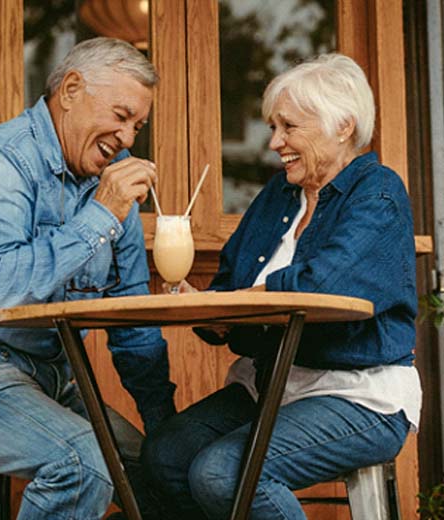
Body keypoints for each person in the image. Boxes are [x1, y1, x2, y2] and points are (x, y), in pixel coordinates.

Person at [0, 37, 176, 520]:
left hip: (48, 379)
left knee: (168, 481)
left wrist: (167, 432)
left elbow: (132, 323)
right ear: (70, 90)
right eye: (121, 115)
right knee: (83, 464)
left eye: (138, 126)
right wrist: (101, 214)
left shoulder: (110, 191)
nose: (128, 138)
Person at [142, 53, 421, 519]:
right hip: (269, 386)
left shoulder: (378, 193)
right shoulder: (278, 195)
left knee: (221, 473)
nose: (275, 142)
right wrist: (210, 312)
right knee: (164, 457)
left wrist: (233, 303)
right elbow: (230, 283)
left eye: (289, 127)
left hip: (357, 394)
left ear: (343, 125)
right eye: (273, 127)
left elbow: (320, 286)